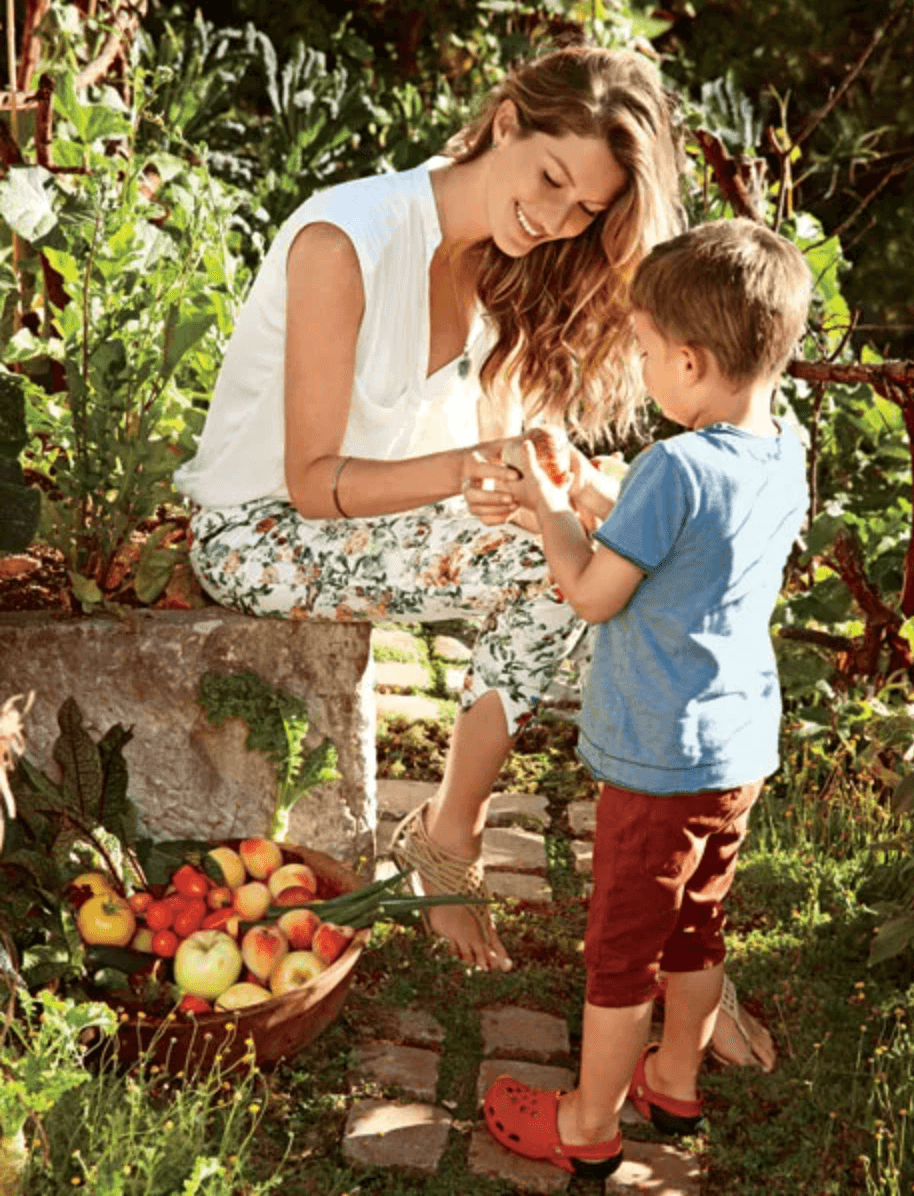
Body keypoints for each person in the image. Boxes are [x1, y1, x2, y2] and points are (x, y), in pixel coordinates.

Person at [173, 41, 767, 1064]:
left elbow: (489, 452)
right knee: (567, 578)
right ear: (503, 123)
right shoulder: (343, 239)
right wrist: (475, 476)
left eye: (586, 208)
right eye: (549, 178)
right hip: (263, 532)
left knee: (602, 567)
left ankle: (679, 934)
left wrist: (546, 478)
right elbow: (314, 479)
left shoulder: (502, 255)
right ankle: (464, 848)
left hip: (365, 525)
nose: (557, 218)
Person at [483, 217, 812, 1179]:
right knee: (699, 920)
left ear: (690, 358)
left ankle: (588, 1124)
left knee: (622, 948)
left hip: (660, 758)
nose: (637, 365)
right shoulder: (780, 448)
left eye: (641, 349)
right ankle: (675, 1081)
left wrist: (552, 511)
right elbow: (688, 551)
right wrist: (599, 494)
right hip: (738, 747)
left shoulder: (672, 468)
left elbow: (592, 593)